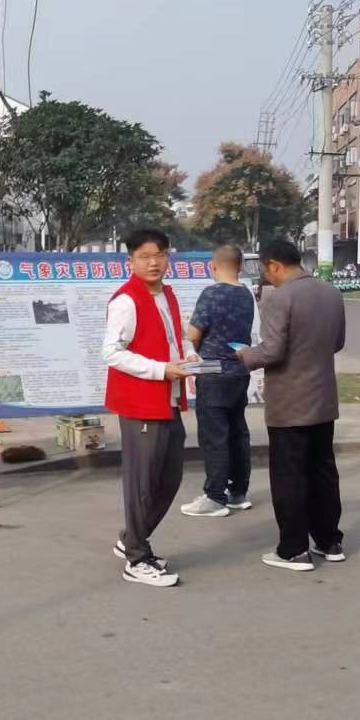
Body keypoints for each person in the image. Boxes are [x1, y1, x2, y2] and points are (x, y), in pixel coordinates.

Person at [237, 238, 347, 572]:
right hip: (322, 397)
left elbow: (271, 351)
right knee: (323, 470)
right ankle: (329, 540)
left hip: (290, 402)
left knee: (289, 475)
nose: (267, 277)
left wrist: (245, 355)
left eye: (266, 270)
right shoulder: (331, 293)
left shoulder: (279, 297)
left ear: (274, 265)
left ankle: (294, 549)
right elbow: (337, 342)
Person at [102, 228, 203, 589]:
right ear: (130, 262)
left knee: (169, 478)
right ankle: (137, 558)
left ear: (167, 257)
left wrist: (189, 356)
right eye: (144, 256)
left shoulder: (167, 295)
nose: (153, 262)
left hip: (168, 399)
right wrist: (161, 370)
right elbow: (111, 352)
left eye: (159, 255)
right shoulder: (126, 301)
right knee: (142, 483)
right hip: (141, 401)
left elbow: (175, 339)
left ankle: (132, 538)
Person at [179, 244, 254, 517]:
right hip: (240, 370)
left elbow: (194, 333)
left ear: (212, 267)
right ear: (240, 267)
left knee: (214, 437)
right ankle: (238, 493)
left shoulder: (211, 293)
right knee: (237, 433)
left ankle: (214, 497)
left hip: (212, 371)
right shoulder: (246, 294)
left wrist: (192, 343)